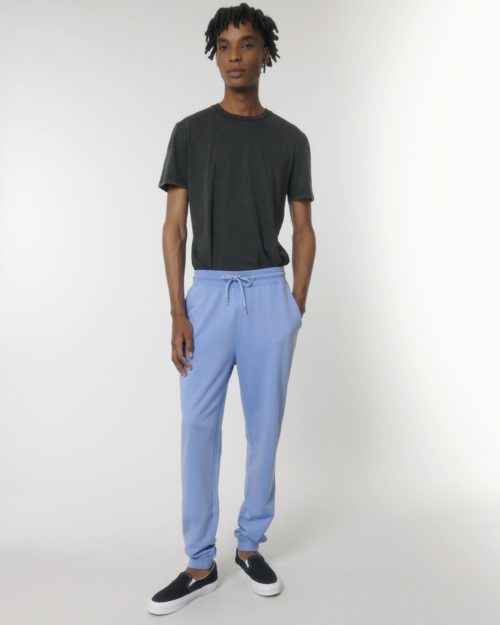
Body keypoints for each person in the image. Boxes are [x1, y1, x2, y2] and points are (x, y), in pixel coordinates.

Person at [148, 2, 316, 615]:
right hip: (209, 294)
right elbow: (174, 228)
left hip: (269, 293)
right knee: (198, 427)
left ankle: (249, 544)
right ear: (214, 55)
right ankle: (199, 562)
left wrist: (294, 305)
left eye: (246, 44)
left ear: (265, 53)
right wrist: (178, 311)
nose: (234, 56)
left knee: (265, 428)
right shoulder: (190, 133)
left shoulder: (290, 139)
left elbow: (303, 228)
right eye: (223, 46)